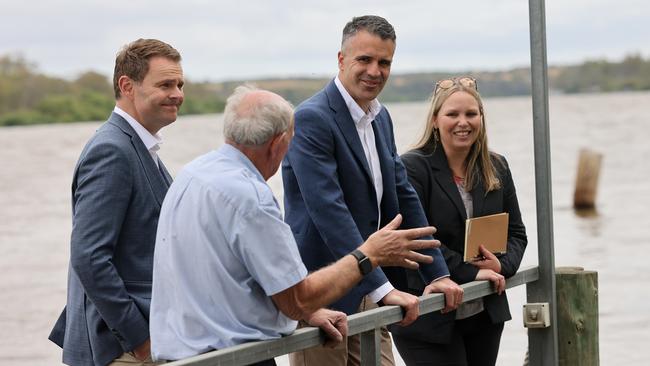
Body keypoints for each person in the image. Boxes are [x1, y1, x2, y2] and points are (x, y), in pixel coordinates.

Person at [149, 85, 440, 365]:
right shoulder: (251, 198)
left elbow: (227, 274)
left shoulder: (193, 174)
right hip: (233, 357)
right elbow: (297, 300)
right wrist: (368, 255)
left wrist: (309, 314)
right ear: (278, 144)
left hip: (181, 357)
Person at [282, 15, 464, 366]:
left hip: (370, 283)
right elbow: (329, 212)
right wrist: (385, 289)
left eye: (384, 62)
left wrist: (437, 274)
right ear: (341, 60)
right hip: (322, 289)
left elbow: (403, 194)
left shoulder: (380, 117)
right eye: (364, 60)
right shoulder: (311, 118)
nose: (374, 71)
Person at [48, 39, 184, 366]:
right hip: (118, 350)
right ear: (127, 86)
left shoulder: (139, 147)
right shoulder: (111, 151)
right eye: (165, 84)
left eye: (180, 84)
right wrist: (141, 341)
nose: (178, 93)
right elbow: (89, 256)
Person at [398, 76, 528, 366]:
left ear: (481, 117)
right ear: (435, 120)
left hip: (484, 312)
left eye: (471, 114)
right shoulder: (412, 167)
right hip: (428, 316)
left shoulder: (497, 166)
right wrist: (471, 272)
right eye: (452, 114)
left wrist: (500, 266)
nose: (463, 122)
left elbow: (517, 234)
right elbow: (417, 240)